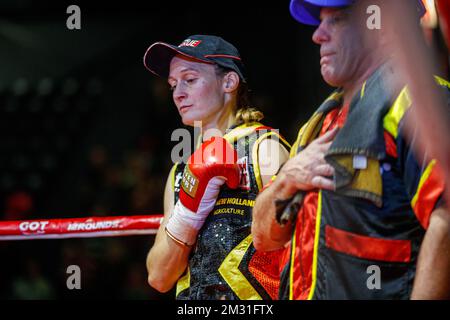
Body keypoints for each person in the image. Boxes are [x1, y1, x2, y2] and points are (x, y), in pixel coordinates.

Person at [252, 0, 450, 299]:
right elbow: (263, 239)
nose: (317, 35)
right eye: (320, 21)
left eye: (338, 20)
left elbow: (446, 221)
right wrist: (285, 180)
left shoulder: (422, 103)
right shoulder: (318, 124)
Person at [143, 35, 290, 300]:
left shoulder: (263, 150)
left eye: (189, 79)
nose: (178, 93)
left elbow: (299, 251)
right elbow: (158, 277)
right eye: (173, 84)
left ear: (229, 82)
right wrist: (187, 215)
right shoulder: (179, 173)